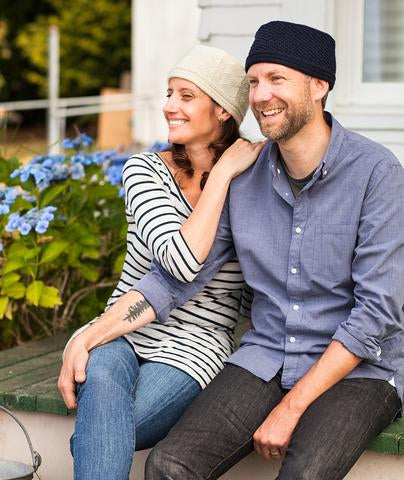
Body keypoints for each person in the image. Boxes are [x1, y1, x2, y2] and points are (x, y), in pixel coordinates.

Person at [129, 21, 403, 479]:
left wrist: (291, 407)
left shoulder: (377, 173)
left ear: (319, 86)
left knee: (304, 474)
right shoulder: (245, 175)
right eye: (253, 81)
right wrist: (91, 337)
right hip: (267, 355)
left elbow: (377, 314)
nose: (260, 96)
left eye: (277, 79)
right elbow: (178, 277)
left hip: (360, 370)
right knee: (169, 465)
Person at [58, 45, 264, 480]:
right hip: (119, 327)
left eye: (186, 96)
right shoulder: (144, 171)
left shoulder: (253, 184)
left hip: (196, 346)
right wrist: (222, 175)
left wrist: (225, 174)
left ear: (223, 110)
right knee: (105, 387)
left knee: (103, 432)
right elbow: (178, 259)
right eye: (169, 93)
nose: (170, 106)